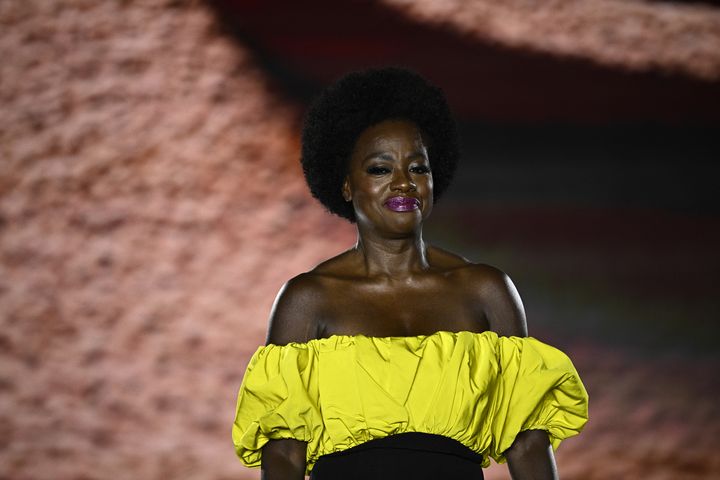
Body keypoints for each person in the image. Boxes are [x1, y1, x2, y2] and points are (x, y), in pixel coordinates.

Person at [232, 67, 589, 480]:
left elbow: (527, 445)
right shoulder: (309, 298)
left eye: (418, 168)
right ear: (347, 185)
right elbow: (284, 456)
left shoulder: (485, 290)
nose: (403, 183)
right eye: (380, 169)